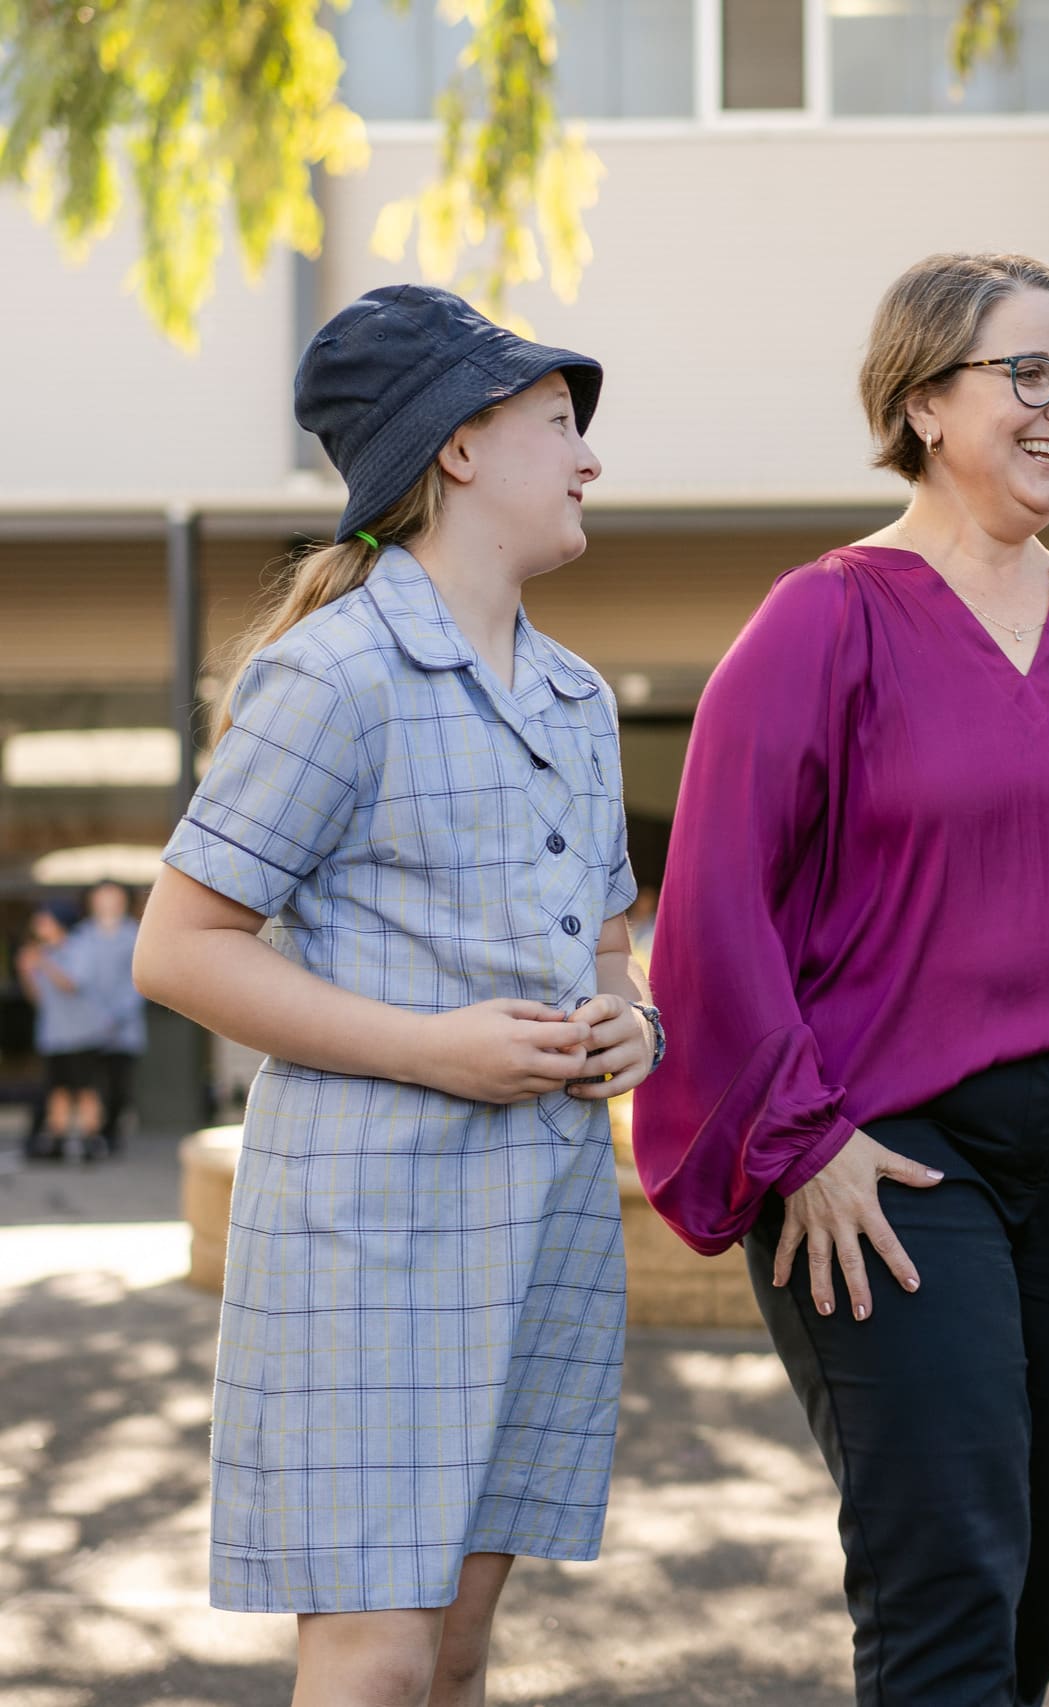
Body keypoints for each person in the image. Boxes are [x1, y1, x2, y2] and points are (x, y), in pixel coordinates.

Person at [636, 251, 1049, 1706]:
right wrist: (794, 1135)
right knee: (946, 1551)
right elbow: (714, 901)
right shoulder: (825, 617)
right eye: (1030, 374)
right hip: (890, 1156)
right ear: (926, 400)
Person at [133, 285, 661, 1707]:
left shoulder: (574, 697)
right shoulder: (334, 674)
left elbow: (611, 951)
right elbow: (179, 948)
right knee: (373, 1654)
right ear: (462, 449)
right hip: (371, 1226)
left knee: (460, 1653)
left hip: (543, 1218)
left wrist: (636, 1023)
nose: (592, 458)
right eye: (562, 424)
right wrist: (435, 1048)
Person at [64, 882, 145, 1154]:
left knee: (119, 1086)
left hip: (124, 1026)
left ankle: (111, 1134)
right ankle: (92, 1136)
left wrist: (118, 1014)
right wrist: (96, 1015)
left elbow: (139, 980)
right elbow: (77, 982)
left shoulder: (136, 934)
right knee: (91, 1085)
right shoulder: (81, 937)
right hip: (86, 1025)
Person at [17, 906, 101, 1161]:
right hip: (53, 1035)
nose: (39, 927)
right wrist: (26, 972)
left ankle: (90, 1141)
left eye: (44, 921)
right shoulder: (43, 954)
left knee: (85, 1089)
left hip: (81, 1034)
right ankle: (57, 1140)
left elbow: (72, 984)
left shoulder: (78, 948)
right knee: (58, 1090)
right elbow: (39, 998)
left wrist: (43, 962)